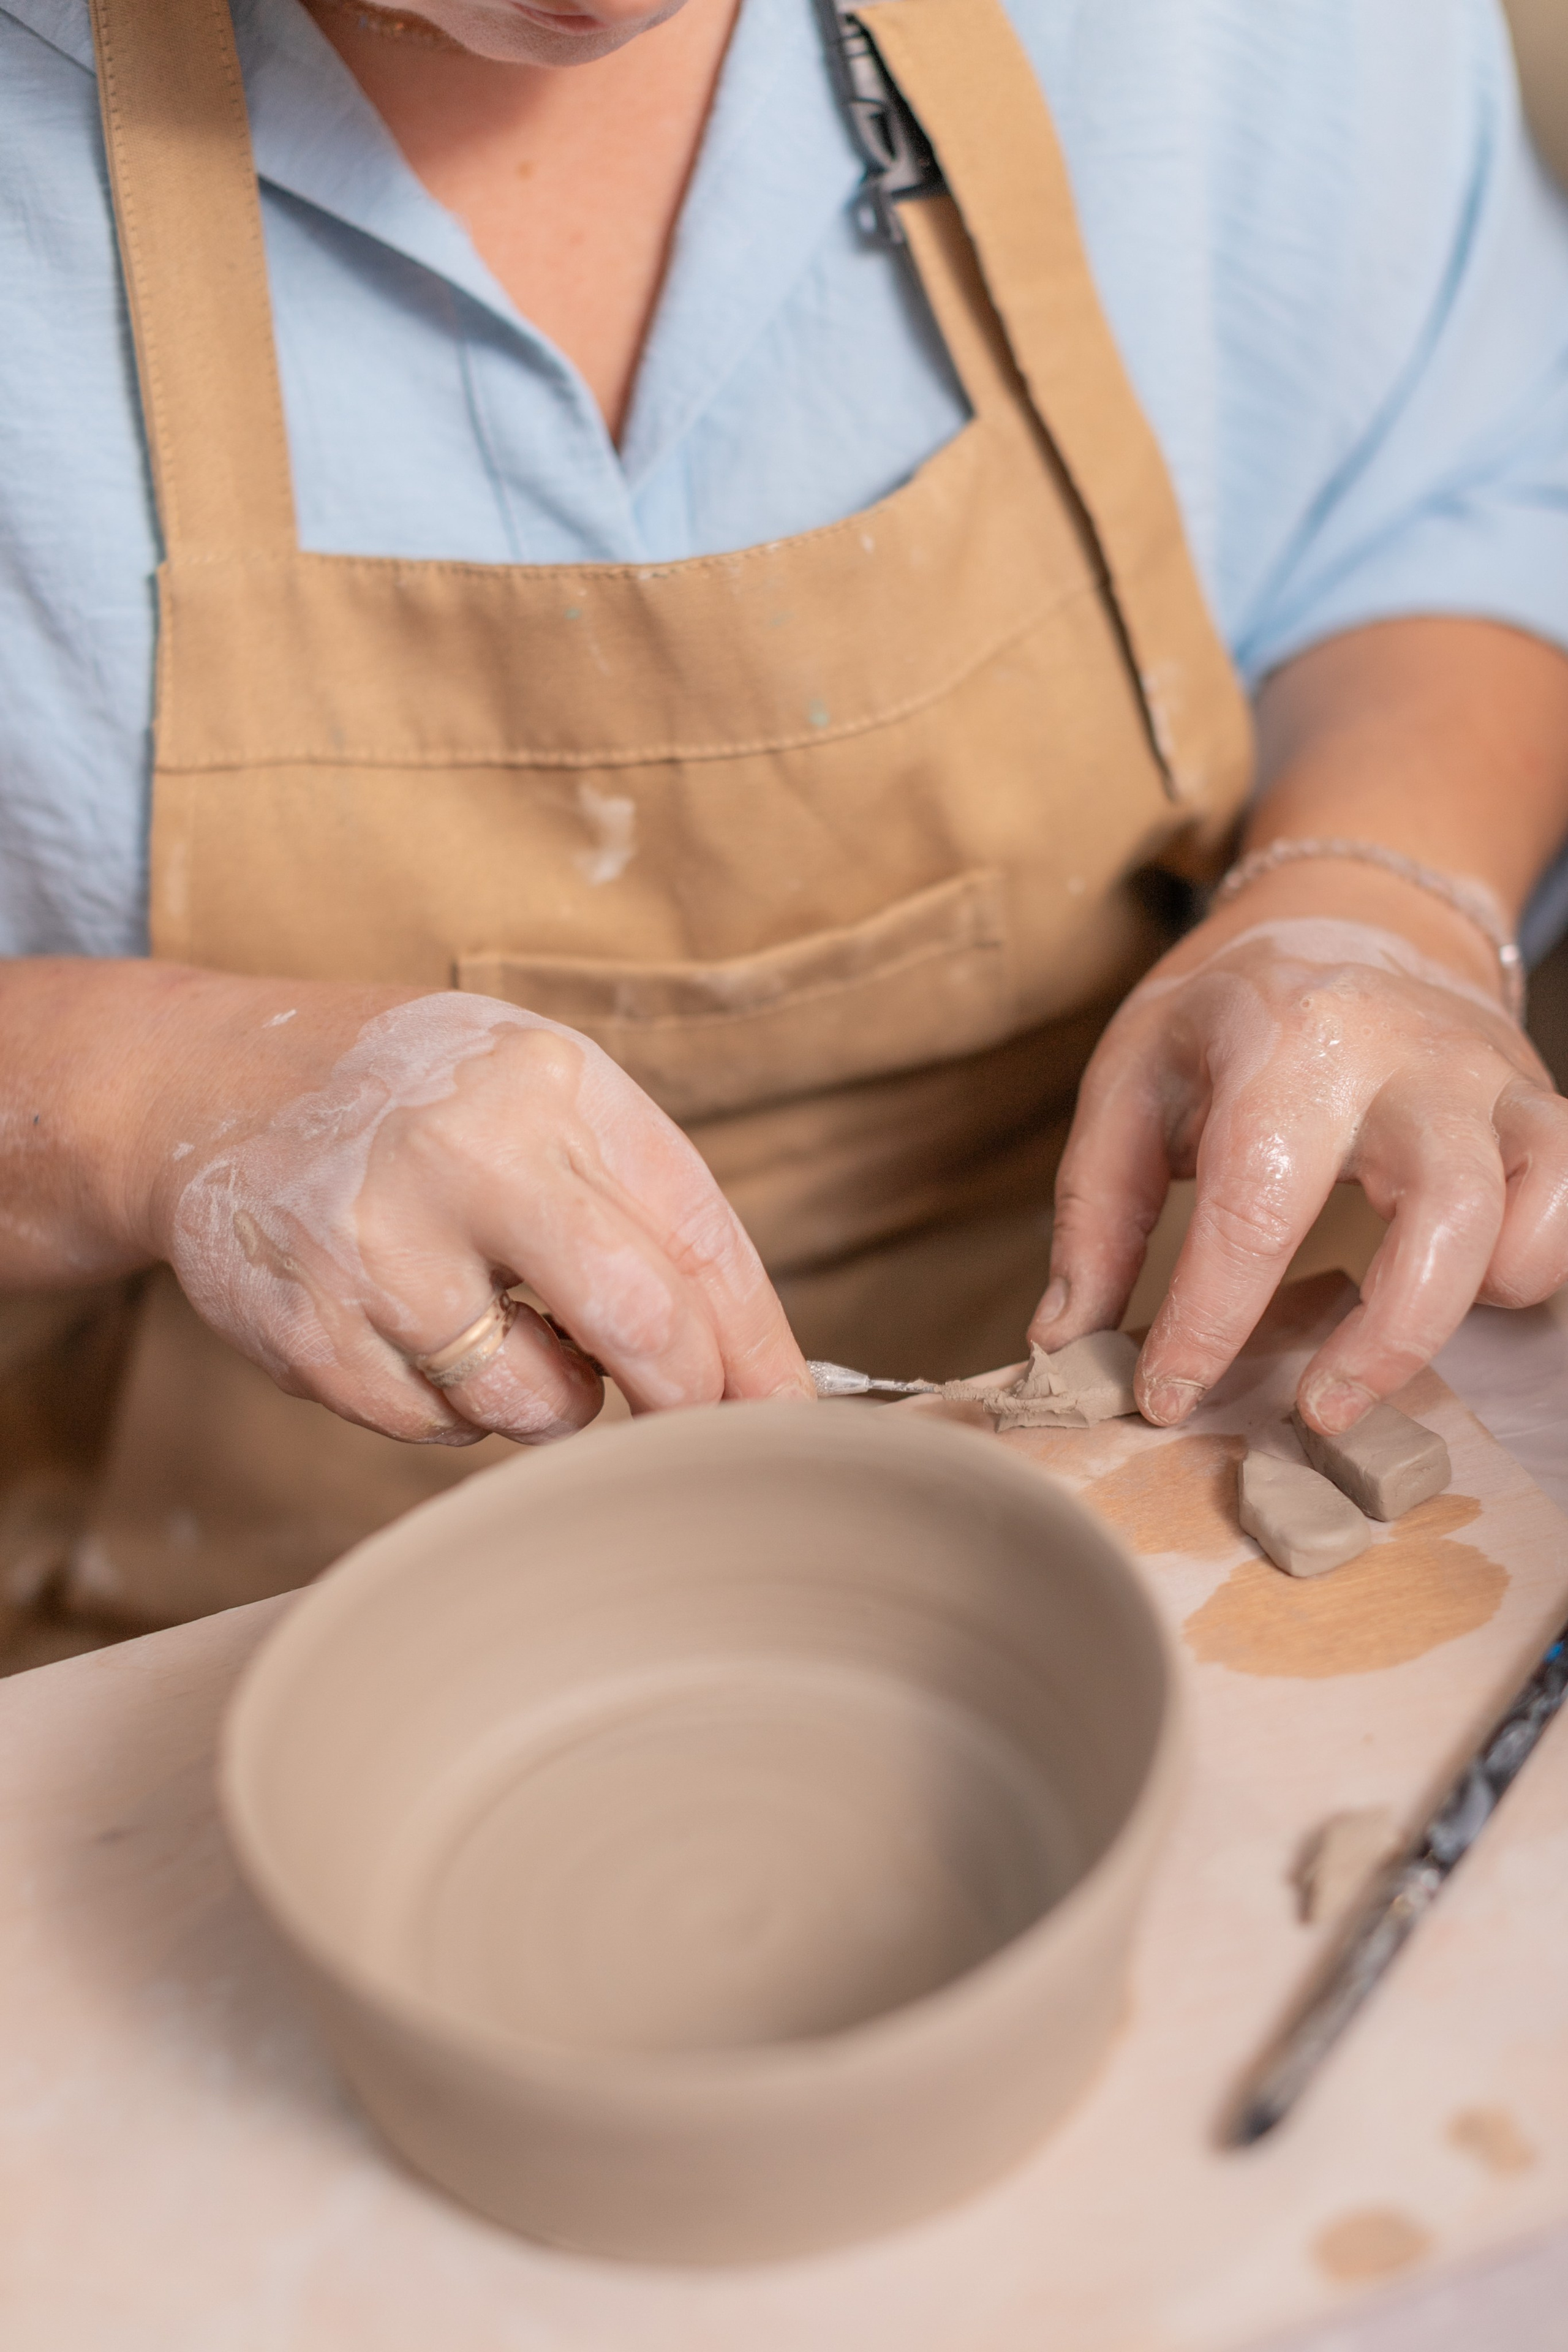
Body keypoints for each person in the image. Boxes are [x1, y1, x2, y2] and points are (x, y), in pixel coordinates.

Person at [2, 0, 1568, 1604]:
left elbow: (1457, 496)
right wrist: (138, 1097)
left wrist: (1378, 902)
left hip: (1170, 1430)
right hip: (233, 1557)